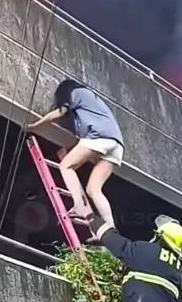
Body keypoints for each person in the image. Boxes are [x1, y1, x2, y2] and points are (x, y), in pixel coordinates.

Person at [26, 79, 124, 225]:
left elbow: (60, 112)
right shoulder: (90, 103)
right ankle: (110, 227)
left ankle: (79, 206)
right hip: (116, 144)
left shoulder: (76, 93)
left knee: (66, 166)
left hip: (100, 136)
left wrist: (35, 125)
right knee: (93, 189)